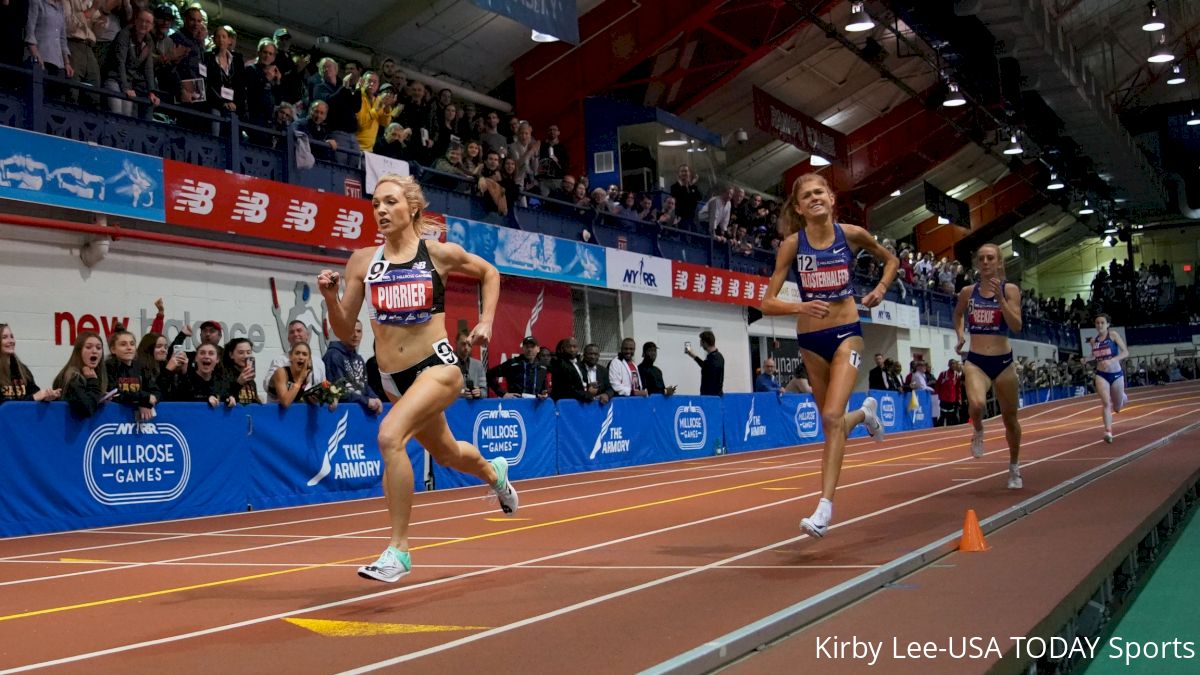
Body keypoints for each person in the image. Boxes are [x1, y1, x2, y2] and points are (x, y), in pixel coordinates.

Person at [317, 173, 517, 583]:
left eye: (390, 202)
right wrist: (329, 297)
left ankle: (399, 551)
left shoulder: (437, 254)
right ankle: (495, 472)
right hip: (393, 379)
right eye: (375, 204)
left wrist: (487, 321)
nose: (381, 211)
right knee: (446, 454)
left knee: (390, 436)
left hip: (438, 368)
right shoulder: (362, 262)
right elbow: (343, 329)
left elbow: (490, 273)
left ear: (412, 209)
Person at [760, 173, 897, 539]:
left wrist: (881, 288)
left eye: (820, 191)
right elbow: (766, 302)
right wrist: (800, 306)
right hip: (809, 339)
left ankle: (824, 508)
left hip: (846, 335)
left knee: (833, 415)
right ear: (800, 207)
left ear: (832, 198)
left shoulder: (850, 235)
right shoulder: (792, 244)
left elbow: (891, 260)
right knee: (830, 422)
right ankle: (865, 413)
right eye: (807, 195)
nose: (815, 198)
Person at [953, 242, 1024, 488]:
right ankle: (979, 429)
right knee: (977, 403)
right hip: (976, 361)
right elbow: (958, 314)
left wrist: (1001, 301)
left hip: (1004, 362)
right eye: (981, 258)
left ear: (999, 262)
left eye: (990, 258)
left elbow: (1016, 326)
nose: (985, 262)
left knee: (1010, 419)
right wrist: (960, 335)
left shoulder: (1011, 290)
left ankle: (1014, 467)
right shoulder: (967, 292)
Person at [1085, 313, 1129, 443]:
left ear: (1108, 325)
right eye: (1097, 323)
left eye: (1102, 323)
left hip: (1116, 374)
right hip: (1101, 374)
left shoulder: (1113, 335)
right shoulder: (1094, 341)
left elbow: (1126, 352)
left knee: (1117, 408)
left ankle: (1123, 398)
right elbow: (1094, 356)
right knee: (1105, 402)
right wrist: (1086, 359)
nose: (1099, 325)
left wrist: (1112, 360)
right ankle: (1108, 431)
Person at [324, 319, 383, 413]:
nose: (355, 335)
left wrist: (375, 397)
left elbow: (364, 385)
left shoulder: (359, 358)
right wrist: (366, 401)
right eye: (351, 331)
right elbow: (338, 389)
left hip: (359, 412)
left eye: (359, 331)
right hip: (340, 413)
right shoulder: (333, 355)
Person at [0, 323, 61, 403]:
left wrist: (47, 396)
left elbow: (35, 392)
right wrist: (33, 398)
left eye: (12, 337)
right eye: (4, 337)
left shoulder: (22, 369)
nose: (11, 341)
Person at [53, 331, 107, 418]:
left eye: (98, 348)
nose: (94, 351)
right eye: (88, 347)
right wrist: (93, 383)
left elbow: (88, 400)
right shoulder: (72, 376)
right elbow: (86, 409)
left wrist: (99, 397)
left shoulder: (97, 374)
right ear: (79, 351)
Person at [685, 331, 724, 396]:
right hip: (712, 396)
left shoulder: (713, 359)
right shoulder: (717, 357)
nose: (701, 345)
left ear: (705, 343)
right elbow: (706, 366)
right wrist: (694, 356)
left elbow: (707, 367)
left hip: (711, 397)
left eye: (701, 343)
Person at [453, 328, 487, 399]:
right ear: (456, 343)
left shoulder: (478, 365)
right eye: (463, 344)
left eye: (469, 344)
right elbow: (442, 391)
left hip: (474, 408)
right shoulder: (447, 363)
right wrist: (461, 393)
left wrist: (479, 392)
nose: (466, 347)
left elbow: (485, 392)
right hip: (453, 407)